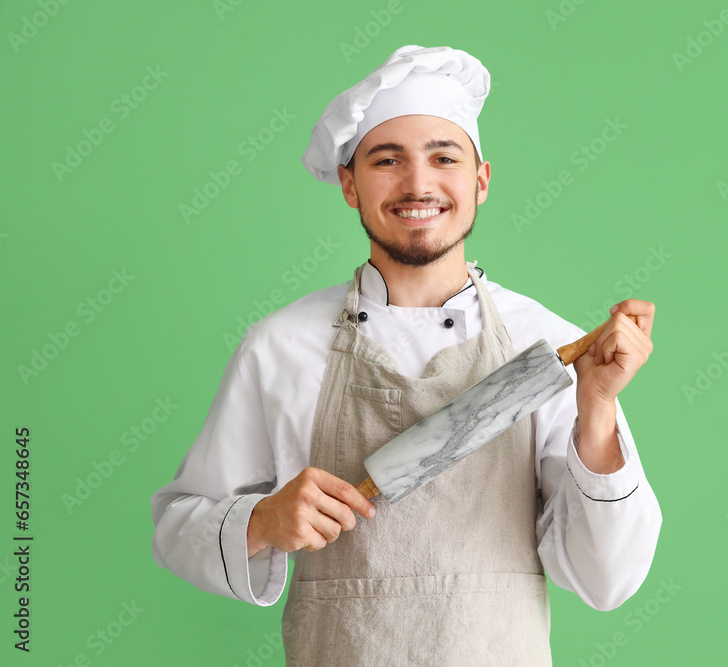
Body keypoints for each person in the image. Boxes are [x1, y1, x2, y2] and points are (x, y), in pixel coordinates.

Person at [151, 45, 661, 666]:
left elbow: (605, 580)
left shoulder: (547, 348)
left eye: (443, 158)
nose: (418, 184)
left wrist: (598, 409)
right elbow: (179, 529)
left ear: (480, 180)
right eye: (387, 161)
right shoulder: (279, 346)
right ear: (349, 184)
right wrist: (259, 522)